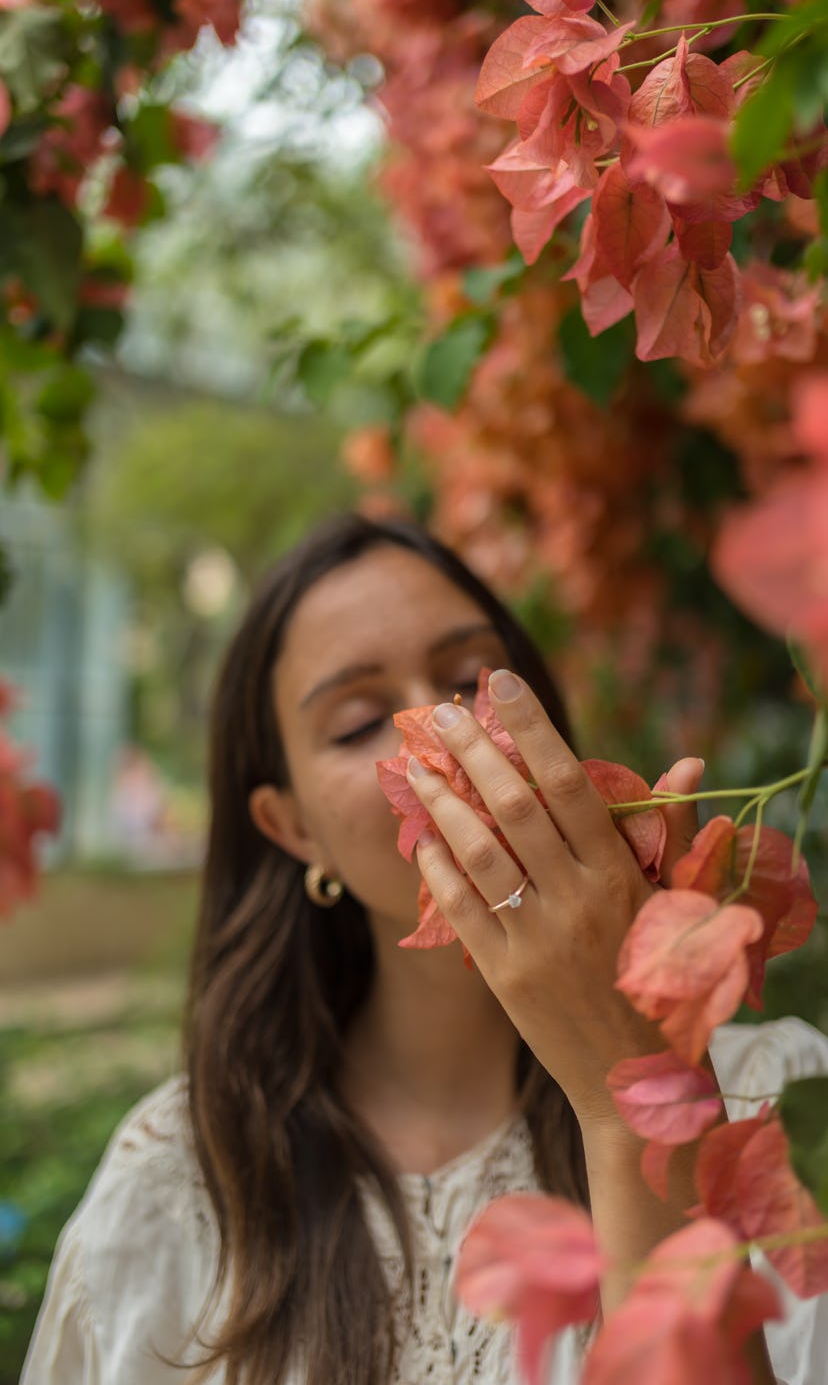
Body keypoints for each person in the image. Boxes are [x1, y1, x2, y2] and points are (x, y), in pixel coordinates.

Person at [22, 513, 828, 1385]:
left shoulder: (774, 1108)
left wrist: (631, 1088)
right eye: (361, 720)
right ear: (292, 828)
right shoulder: (180, 1184)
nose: (447, 741)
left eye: (467, 680)